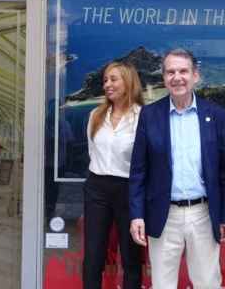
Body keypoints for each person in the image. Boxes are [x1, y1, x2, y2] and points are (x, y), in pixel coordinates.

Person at [129, 48, 225, 289]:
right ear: (164, 78)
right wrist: (137, 214)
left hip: (203, 213)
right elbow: (138, 171)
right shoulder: (149, 115)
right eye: (170, 72)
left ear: (195, 76)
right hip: (164, 214)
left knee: (207, 282)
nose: (177, 77)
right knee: (162, 284)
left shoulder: (216, 115)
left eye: (183, 71)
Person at [83, 62, 144, 289]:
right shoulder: (95, 115)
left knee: (131, 256)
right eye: (105, 80)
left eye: (113, 79)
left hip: (129, 189)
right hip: (97, 187)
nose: (107, 84)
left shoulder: (142, 117)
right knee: (93, 255)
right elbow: (93, 151)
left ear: (128, 82)